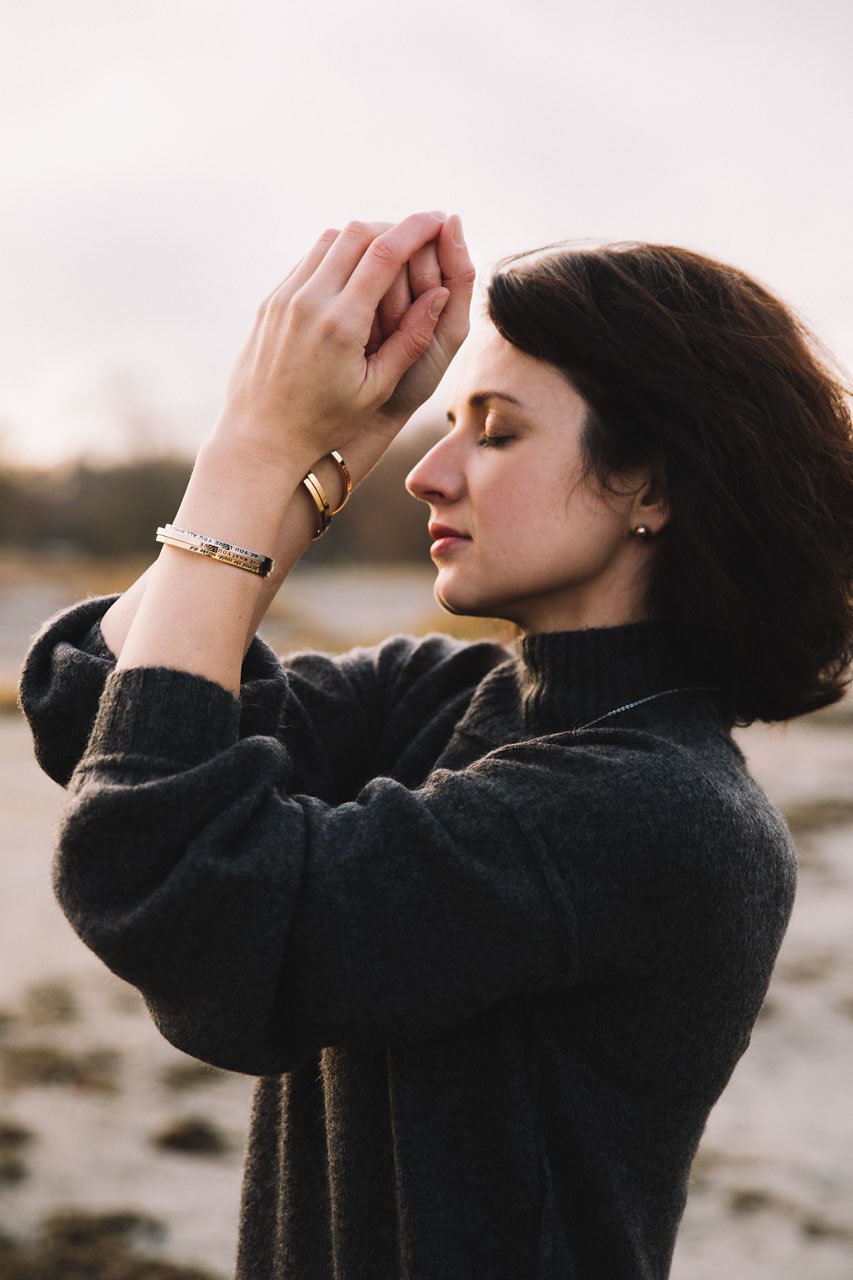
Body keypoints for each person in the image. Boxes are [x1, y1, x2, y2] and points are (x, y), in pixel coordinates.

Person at [17, 211, 853, 1280]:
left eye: (494, 430)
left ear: (653, 484)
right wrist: (318, 465)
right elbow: (92, 703)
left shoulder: (660, 809)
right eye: (443, 423)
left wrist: (253, 449)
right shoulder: (442, 697)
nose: (427, 470)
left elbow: (178, 885)